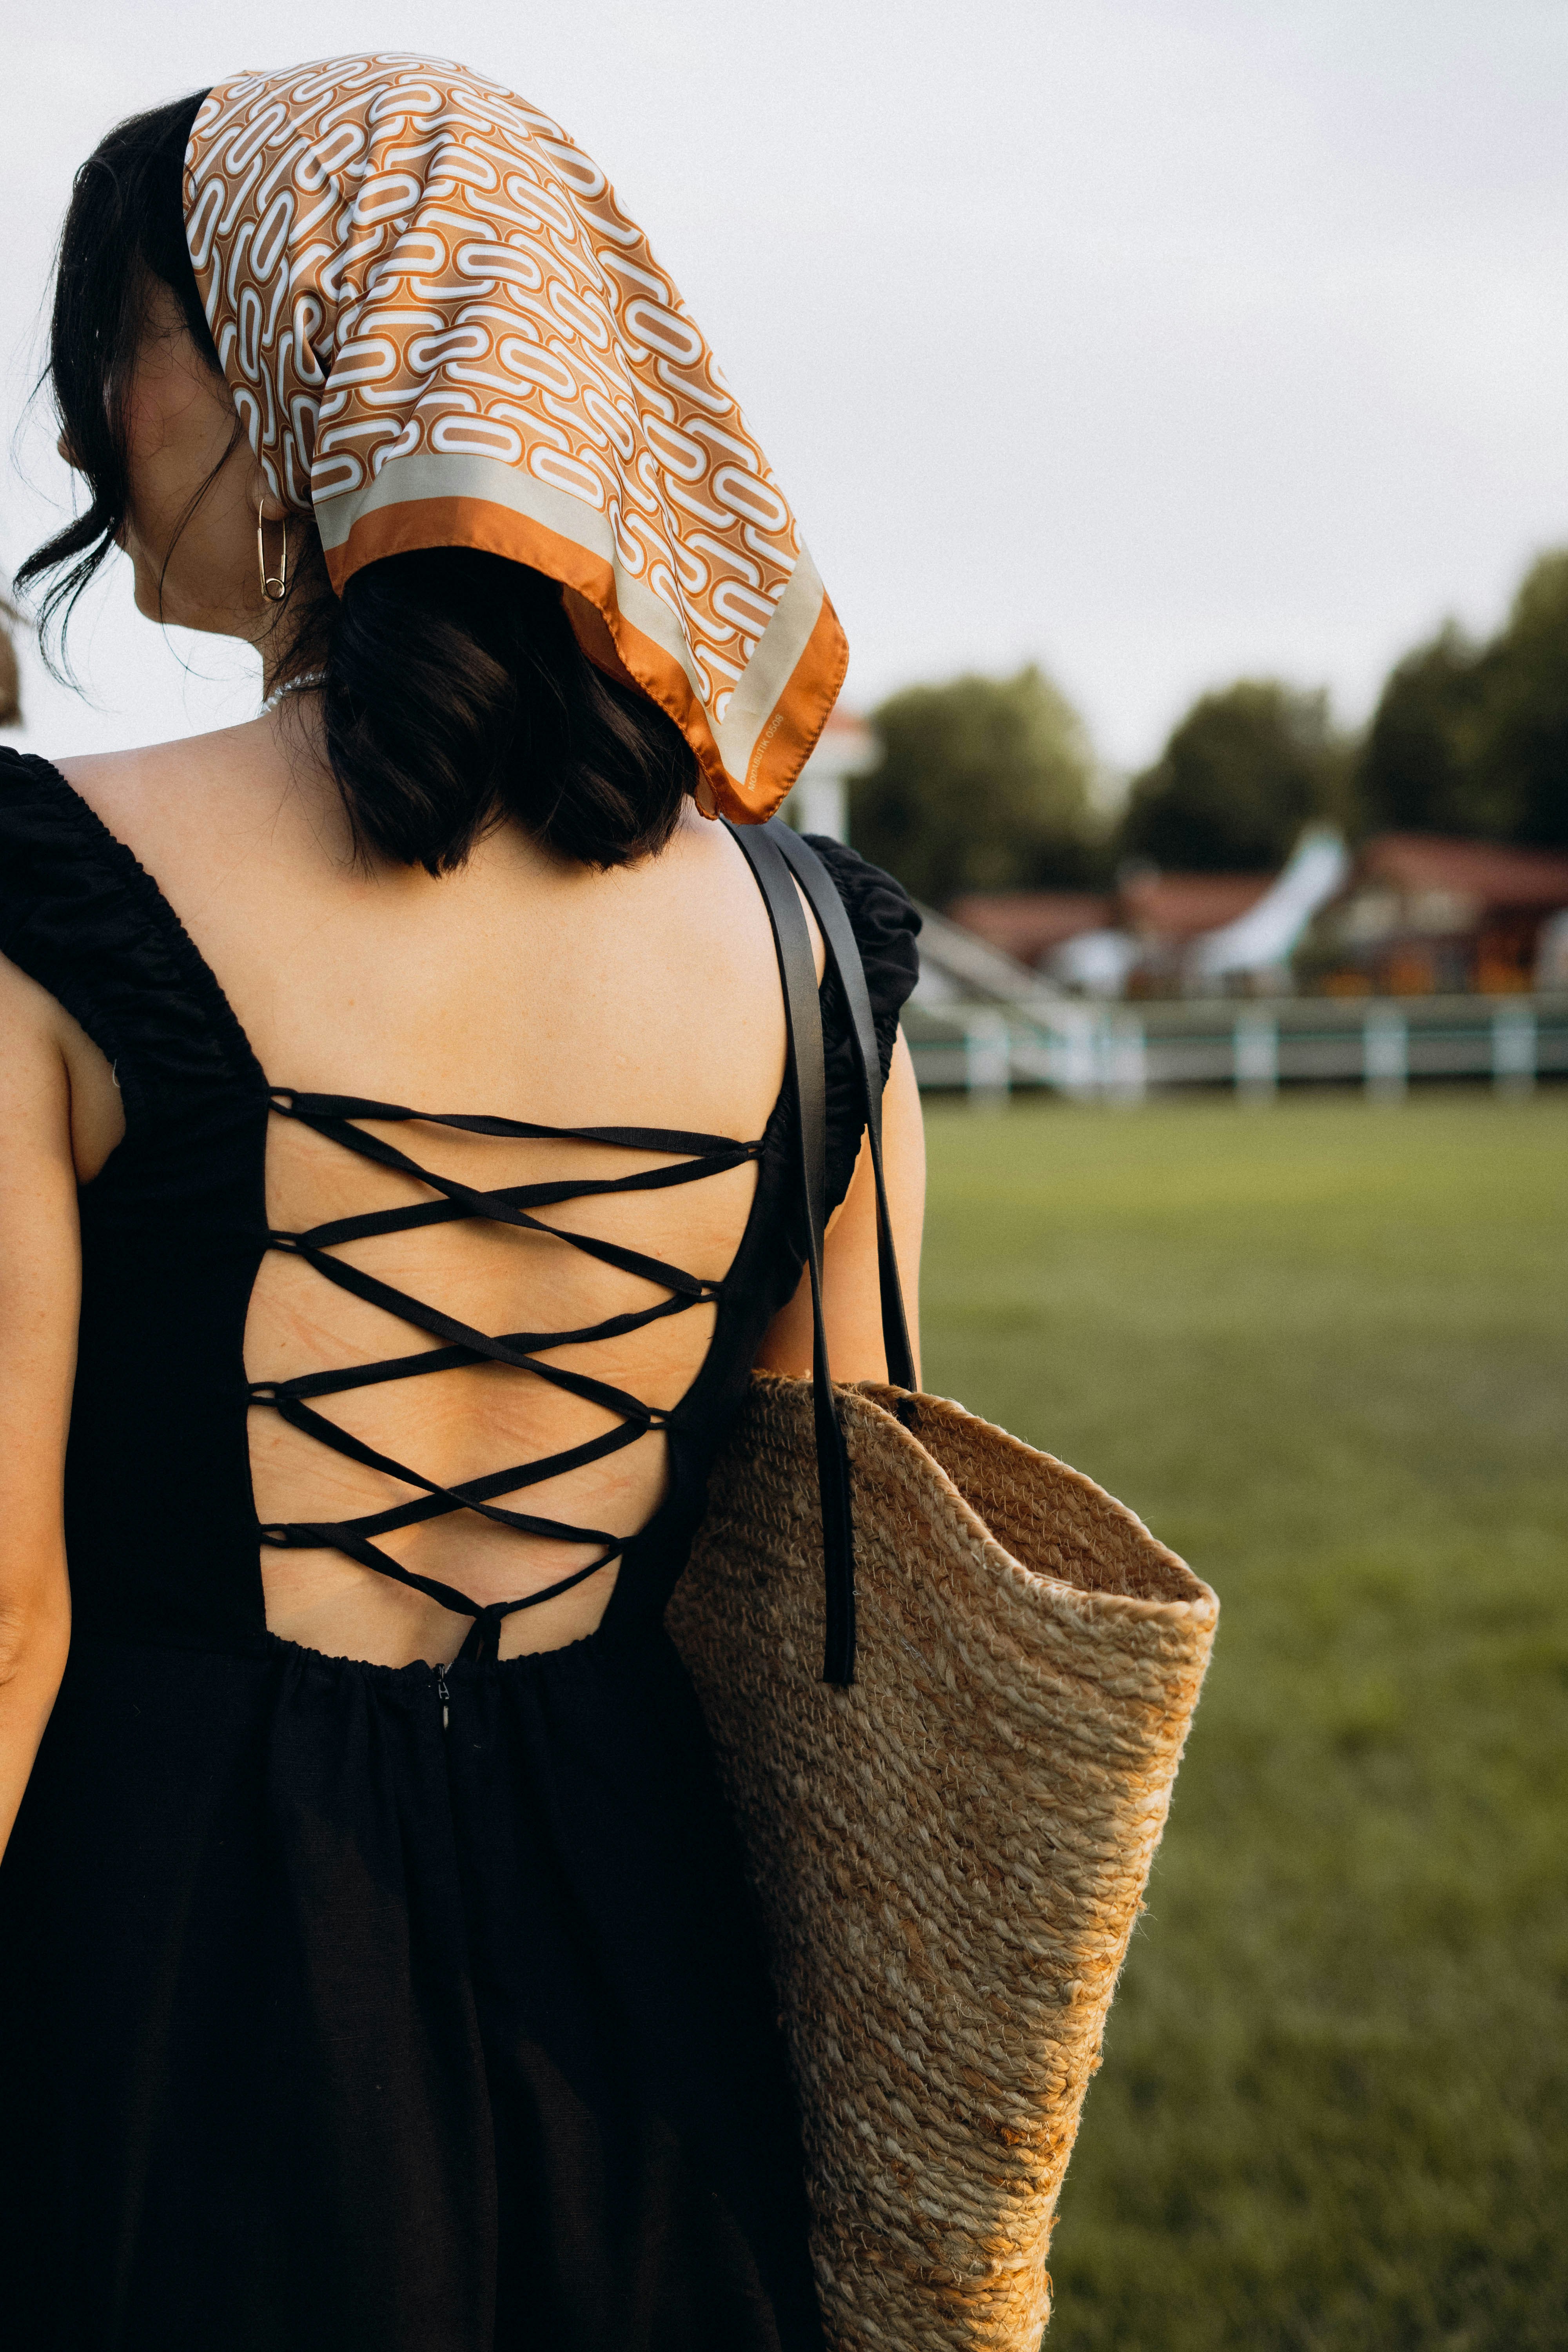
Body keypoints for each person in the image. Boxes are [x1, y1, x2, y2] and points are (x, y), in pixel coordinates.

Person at [0, 60, 924, 2352]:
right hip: (648, 1994)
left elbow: (3, 1623)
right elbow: (841, 1597)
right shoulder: (825, 955)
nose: (69, 429)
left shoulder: (46, 891)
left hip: (168, 1995)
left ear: (280, 349)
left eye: (106, 338)